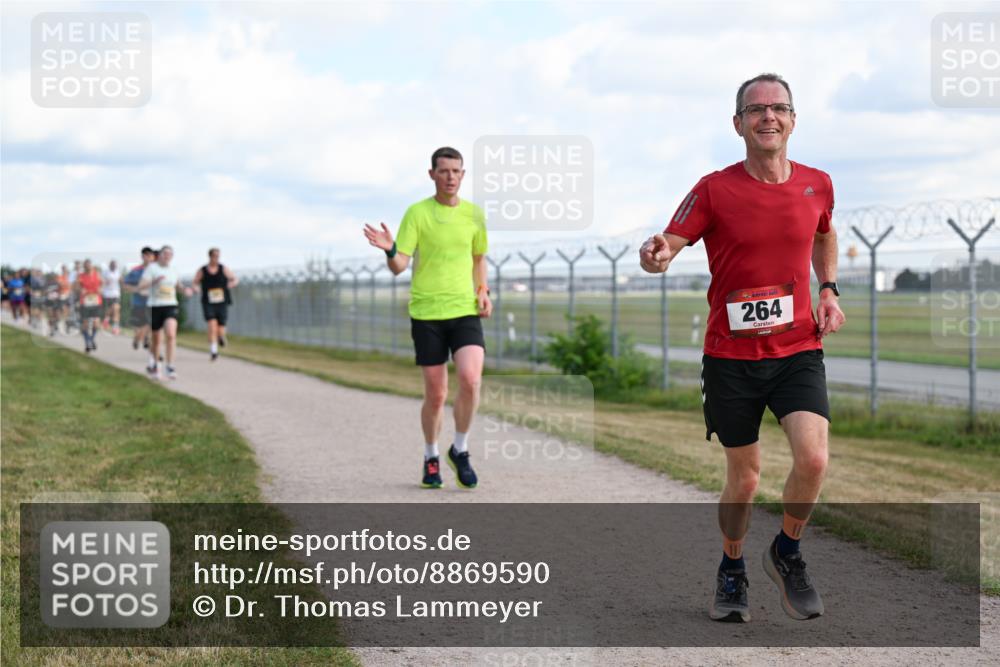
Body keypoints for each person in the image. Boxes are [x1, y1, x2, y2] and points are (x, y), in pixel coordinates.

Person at [639, 73, 845, 623]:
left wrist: (827, 289)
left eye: (778, 108)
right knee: (745, 478)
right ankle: (732, 566)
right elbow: (668, 243)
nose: (768, 117)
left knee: (815, 457)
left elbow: (825, 233)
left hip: (798, 347)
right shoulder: (714, 188)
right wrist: (654, 255)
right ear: (738, 124)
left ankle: (788, 550)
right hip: (731, 357)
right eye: (756, 110)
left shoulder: (818, 183)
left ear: (793, 120)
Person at [363, 146, 491, 489]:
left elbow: (479, 258)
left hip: (464, 310)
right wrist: (390, 249)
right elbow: (399, 266)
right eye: (444, 171)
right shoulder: (417, 214)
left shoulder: (475, 216)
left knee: (471, 379)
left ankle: (459, 450)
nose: (450, 177)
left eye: (456, 171)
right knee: (436, 394)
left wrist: (483, 291)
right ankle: (431, 456)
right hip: (427, 314)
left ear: (463, 175)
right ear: (432, 174)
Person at [137, 245, 190, 379]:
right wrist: (153, 282)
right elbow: (141, 286)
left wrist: (185, 290)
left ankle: (170, 366)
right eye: (164, 254)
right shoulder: (152, 269)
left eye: (169, 254)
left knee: (171, 334)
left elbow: (177, 285)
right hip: (155, 306)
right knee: (156, 339)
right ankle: (156, 364)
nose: (167, 256)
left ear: (172, 257)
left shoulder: (174, 270)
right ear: (159, 255)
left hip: (170, 305)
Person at [192, 247, 239, 361]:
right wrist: (196, 289)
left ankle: (221, 337)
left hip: (222, 301)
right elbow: (195, 282)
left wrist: (232, 284)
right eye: (214, 256)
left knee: (221, 326)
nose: (216, 258)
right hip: (208, 302)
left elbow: (234, 278)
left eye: (218, 256)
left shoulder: (223, 268)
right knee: (212, 325)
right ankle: (214, 351)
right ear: (210, 256)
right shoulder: (203, 270)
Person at [123, 247, 155, 351]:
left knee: (151, 323)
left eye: (150, 255)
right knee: (140, 326)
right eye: (146, 255)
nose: (148, 258)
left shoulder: (156, 270)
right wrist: (136, 289)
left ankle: (147, 340)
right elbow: (125, 285)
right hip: (138, 303)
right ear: (142, 256)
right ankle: (137, 339)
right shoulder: (136, 271)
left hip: (152, 303)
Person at [76, 259, 104, 352]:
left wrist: (101, 289)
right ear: (84, 267)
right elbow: (76, 286)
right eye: (86, 266)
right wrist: (80, 289)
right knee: (85, 324)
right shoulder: (81, 276)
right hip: (85, 301)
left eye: (89, 265)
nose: (88, 267)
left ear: (91, 266)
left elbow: (102, 283)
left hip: (96, 301)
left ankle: (91, 339)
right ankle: (87, 342)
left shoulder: (97, 274)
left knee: (96, 323)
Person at [101, 259, 122, 334]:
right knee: (109, 309)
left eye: (115, 265)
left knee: (116, 308)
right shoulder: (105, 272)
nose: (114, 266)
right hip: (107, 293)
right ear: (110, 265)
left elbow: (120, 280)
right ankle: (106, 319)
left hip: (116, 293)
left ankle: (115, 327)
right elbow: (102, 281)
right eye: (112, 265)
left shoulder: (118, 272)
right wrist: (105, 282)